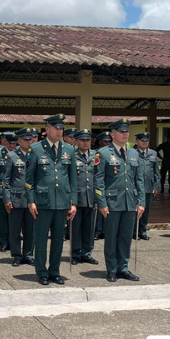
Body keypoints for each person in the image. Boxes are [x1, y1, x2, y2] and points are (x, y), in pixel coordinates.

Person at [25, 114, 77, 286]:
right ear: (47, 129)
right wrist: (30, 200)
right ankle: (42, 272)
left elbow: (72, 179)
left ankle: (54, 271)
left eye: (61, 128)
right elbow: (29, 179)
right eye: (56, 128)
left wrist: (73, 202)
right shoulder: (36, 149)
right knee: (40, 239)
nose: (59, 131)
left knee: (58, 239)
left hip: (62, 202)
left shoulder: (69, 150)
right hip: (42, 202)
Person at [95, 118, 145, 282]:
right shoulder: (103, 153)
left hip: (129, 202)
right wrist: (101, 202)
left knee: (125, 236)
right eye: (122, 132)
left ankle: (123, 267)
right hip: (112, 202)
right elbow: (99, 181)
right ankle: (111, 269)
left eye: (126, 131)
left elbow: (139, 180)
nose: (125, 134)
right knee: (111, 237)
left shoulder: (133, 153)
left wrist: (141, 202)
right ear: (113, 134)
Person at [1, 127, 35, 267]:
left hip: (31, 200)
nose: (29, 142)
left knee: (30, 230)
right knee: (15, 230)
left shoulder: (35, 155)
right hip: (16, 199)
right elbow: (6, 181)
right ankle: (16, 255)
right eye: (26, 140)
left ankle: (28, 254)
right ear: (19, 141)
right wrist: (7, 199)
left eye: (30, 139)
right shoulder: (12, 156)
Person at [71, 129, 98, 265]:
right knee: (76, 228)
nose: (85, 142)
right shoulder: (71, 155)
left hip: (91, 198)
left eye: (87, 140)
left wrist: (98, 198)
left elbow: (99, 177)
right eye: (82, 140)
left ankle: (87, 253)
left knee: (89, 228)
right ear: (76, 141)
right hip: (77, 198)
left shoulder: (95, 155)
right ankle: (75, 254)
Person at [133, 132, 160, 240]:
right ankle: (134, 232)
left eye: (146, 141)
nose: (144, 143)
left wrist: (156, 186)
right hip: (136, 187)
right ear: (137, 141)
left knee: (146, 210)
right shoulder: (133, 153)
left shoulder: (153, 153)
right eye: (142, 141)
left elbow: (156, 171)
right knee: (136, 210)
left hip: (149, 187)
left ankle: (143, 231)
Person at [0, 132, 16, 251]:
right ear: (4, 142)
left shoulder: (19, 154)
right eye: (10, 143)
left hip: (15, 192)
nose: (12, 146)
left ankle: (13, 242)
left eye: (14, 143)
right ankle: (3, 242)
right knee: (2, 220)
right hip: (2, 191)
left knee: (14, 221)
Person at [94, 131, 113, 239]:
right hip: (99, 185)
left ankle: (105, 230)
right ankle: (98, 230)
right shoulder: (96, 154)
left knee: (107, 210)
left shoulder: (111, 153)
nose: (106, 143)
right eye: (104, 141)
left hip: (109, 186)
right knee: (98, 208)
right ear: (99, 141)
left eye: (109, 141)